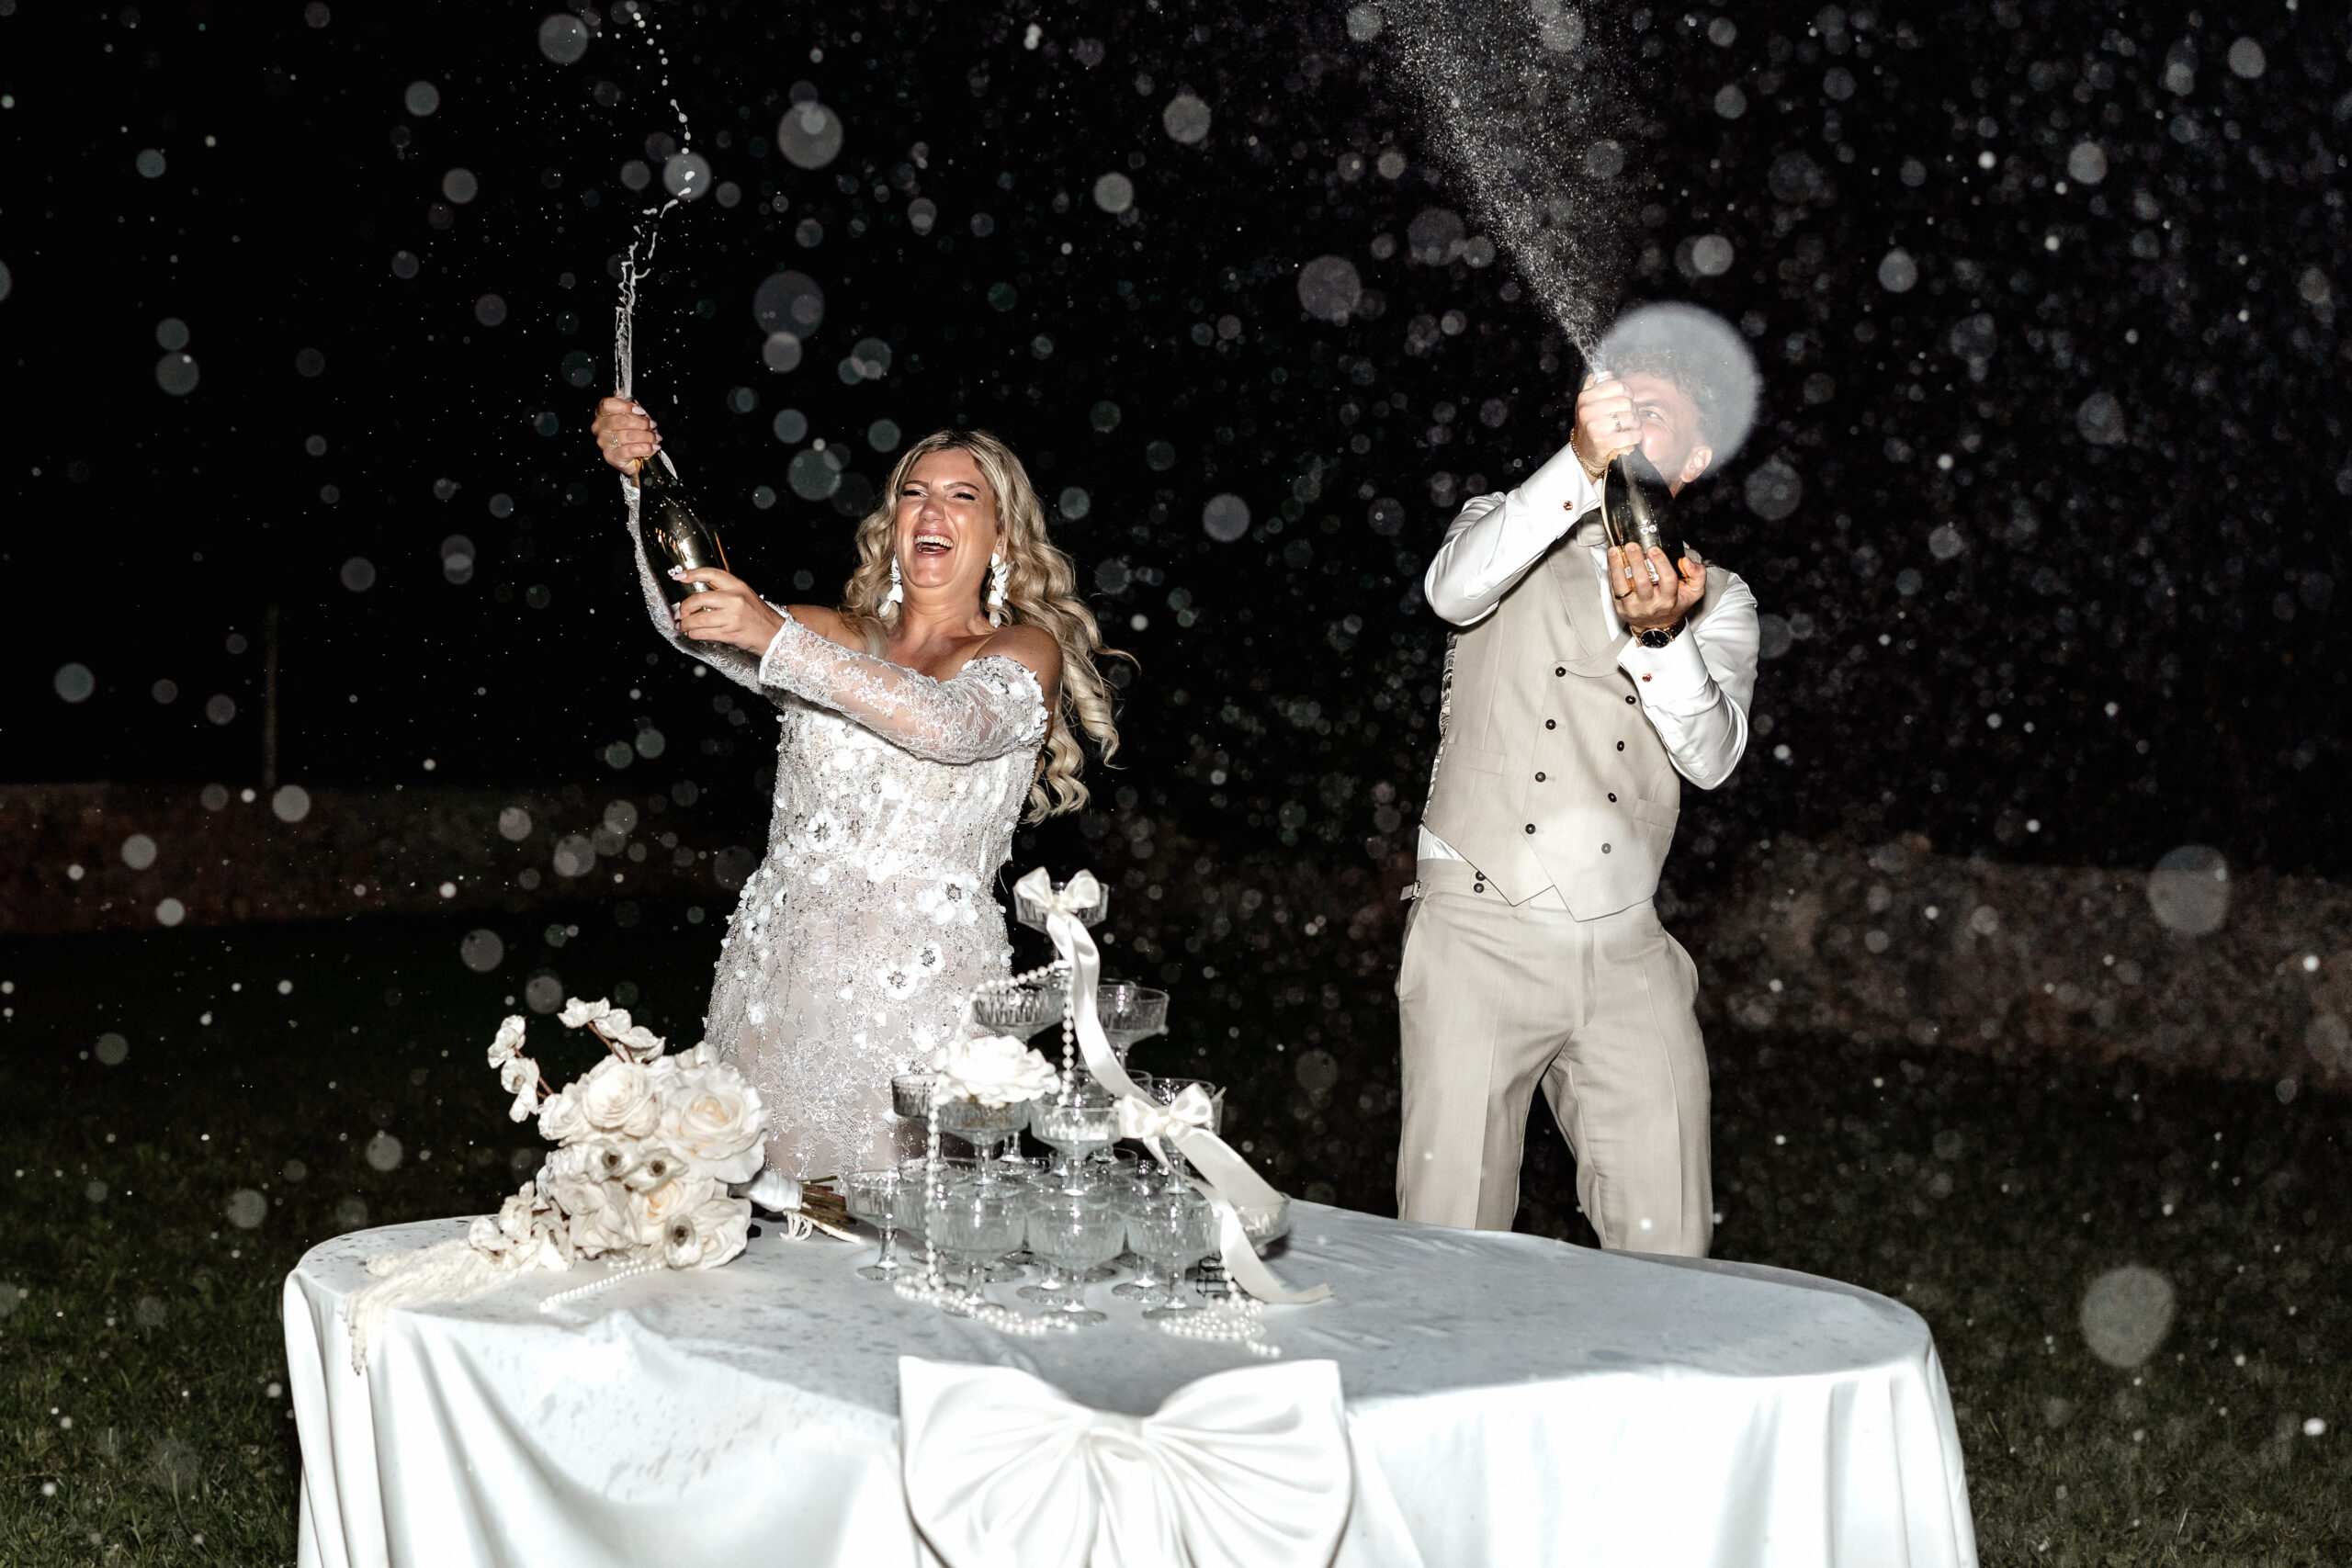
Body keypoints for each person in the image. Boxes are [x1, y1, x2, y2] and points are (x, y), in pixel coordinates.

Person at [588, 398, 1122, 1180]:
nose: (931, 509)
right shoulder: (842, 635)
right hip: (774, 984)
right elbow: (688, 616)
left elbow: (949, 726)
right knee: (747, 1224)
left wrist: (778, 639)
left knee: (895, 1245)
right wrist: (645, 482)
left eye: (961, 496)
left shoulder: (1021, 646)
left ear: (1001, 537)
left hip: (915, 999)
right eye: (914, 491)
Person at [1396, 361, 1760, 1255]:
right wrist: (1573, 464)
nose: (1629, 421)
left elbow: (1711, 758)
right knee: (1449, 1241)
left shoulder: (1719, 596)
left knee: (1667, 1243)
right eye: (1617, 406)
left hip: (1626, 945)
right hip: (1479, 920)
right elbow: (1451, 590)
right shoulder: (1503, 523)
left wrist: (1663, 637)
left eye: (1654, 413)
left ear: (1694, 457)